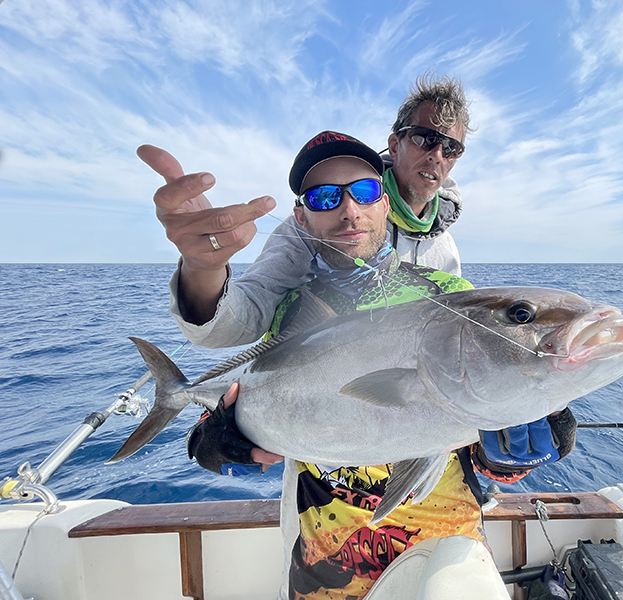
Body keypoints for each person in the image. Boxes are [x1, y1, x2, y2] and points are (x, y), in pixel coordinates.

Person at [186, 131, 577, 600]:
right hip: (325, 568)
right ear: (301, 217)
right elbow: (259, 406)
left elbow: (472, 434)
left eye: (365, 192)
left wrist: (509, 453)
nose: (349, 210)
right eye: (324, 197)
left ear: (385, 203)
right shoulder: (290, 311)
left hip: (447, 554)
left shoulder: (448, 297)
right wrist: (216, 444)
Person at [137, 73, 470, 349]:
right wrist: (202, 268)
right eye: (425, 138)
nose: (437, 155)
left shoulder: (446, 250)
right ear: (396, 144)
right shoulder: (311, 229)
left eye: (451, 148)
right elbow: (246, 315)